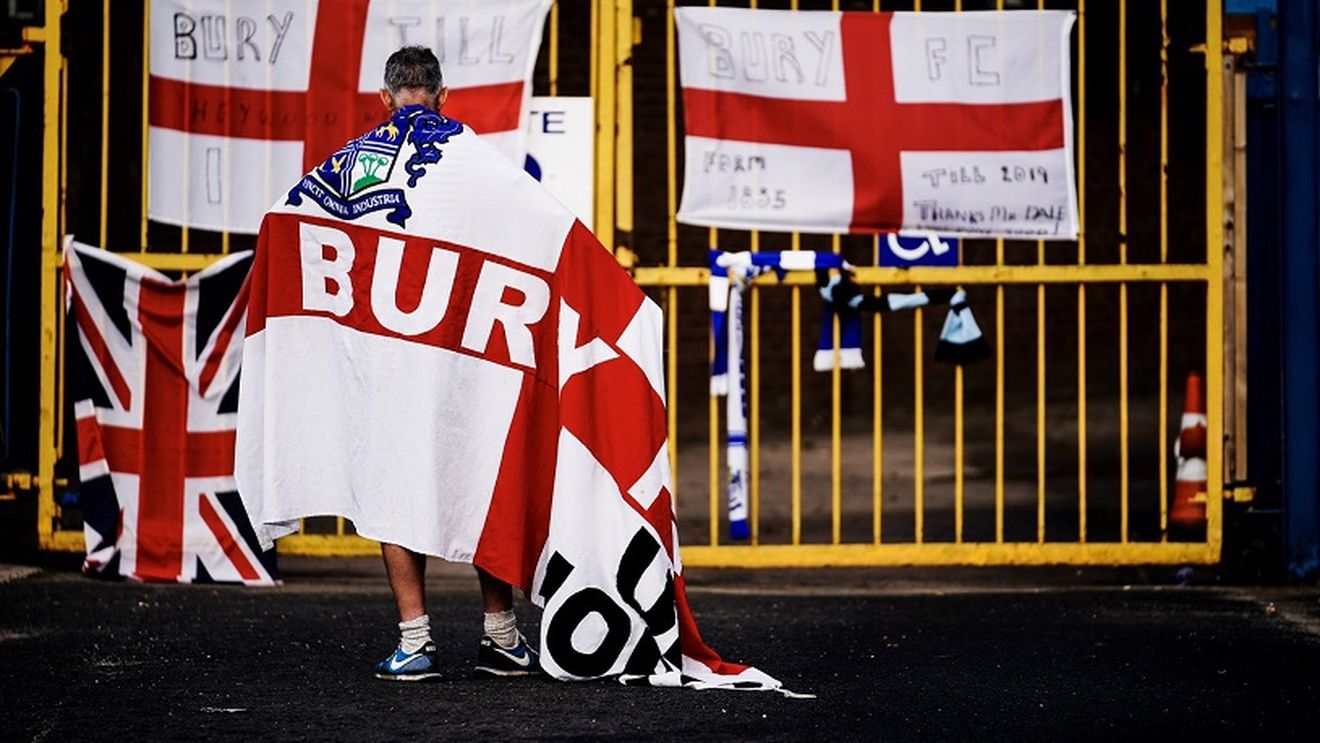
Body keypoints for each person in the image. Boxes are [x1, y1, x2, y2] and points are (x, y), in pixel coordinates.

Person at [366, 46, 539, 683]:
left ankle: (415, 642)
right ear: (444, 95)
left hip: (395, 352)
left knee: (394, 489)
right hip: (471, 350)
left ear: (386, 98)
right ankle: (502, 637)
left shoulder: (354, 165)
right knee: (480, 484)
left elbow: (293, 219)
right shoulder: (479, 160)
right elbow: (534, 230)